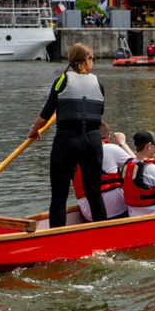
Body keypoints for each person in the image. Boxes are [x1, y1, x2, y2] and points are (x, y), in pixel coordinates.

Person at [27, 43, 107, 228]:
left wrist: (34, 130)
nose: (92, 62)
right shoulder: (99, 84)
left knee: (59, 195)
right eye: (92, 59)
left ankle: (57, 239)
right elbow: (99, 112)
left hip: (67, 141)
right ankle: (103, 236)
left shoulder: (62, 80)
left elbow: (44, 116)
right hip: (92, 142)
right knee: (94, 194)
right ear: (86, 61)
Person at [73, 123, 135, 221]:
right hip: (114, 208)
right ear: (108, 138)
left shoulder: (74, 152)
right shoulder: (111, 148)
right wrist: (122, 144)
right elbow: (140, 167)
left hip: (87, 211)